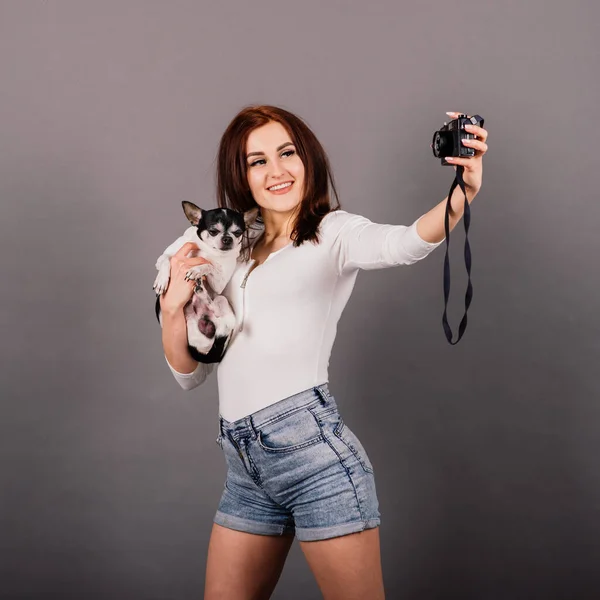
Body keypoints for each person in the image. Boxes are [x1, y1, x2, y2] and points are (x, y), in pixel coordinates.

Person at [158, 106, 489, 600]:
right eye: (257, 161)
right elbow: (191, 374)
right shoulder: (233, 252)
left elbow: (402, 244)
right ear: (241, 176)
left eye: (287, 153)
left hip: (313, 459)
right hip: (244, 468)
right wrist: (172, 309)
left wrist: (460, 196)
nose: (276, 171)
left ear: (307, 157)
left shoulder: (332, 232)